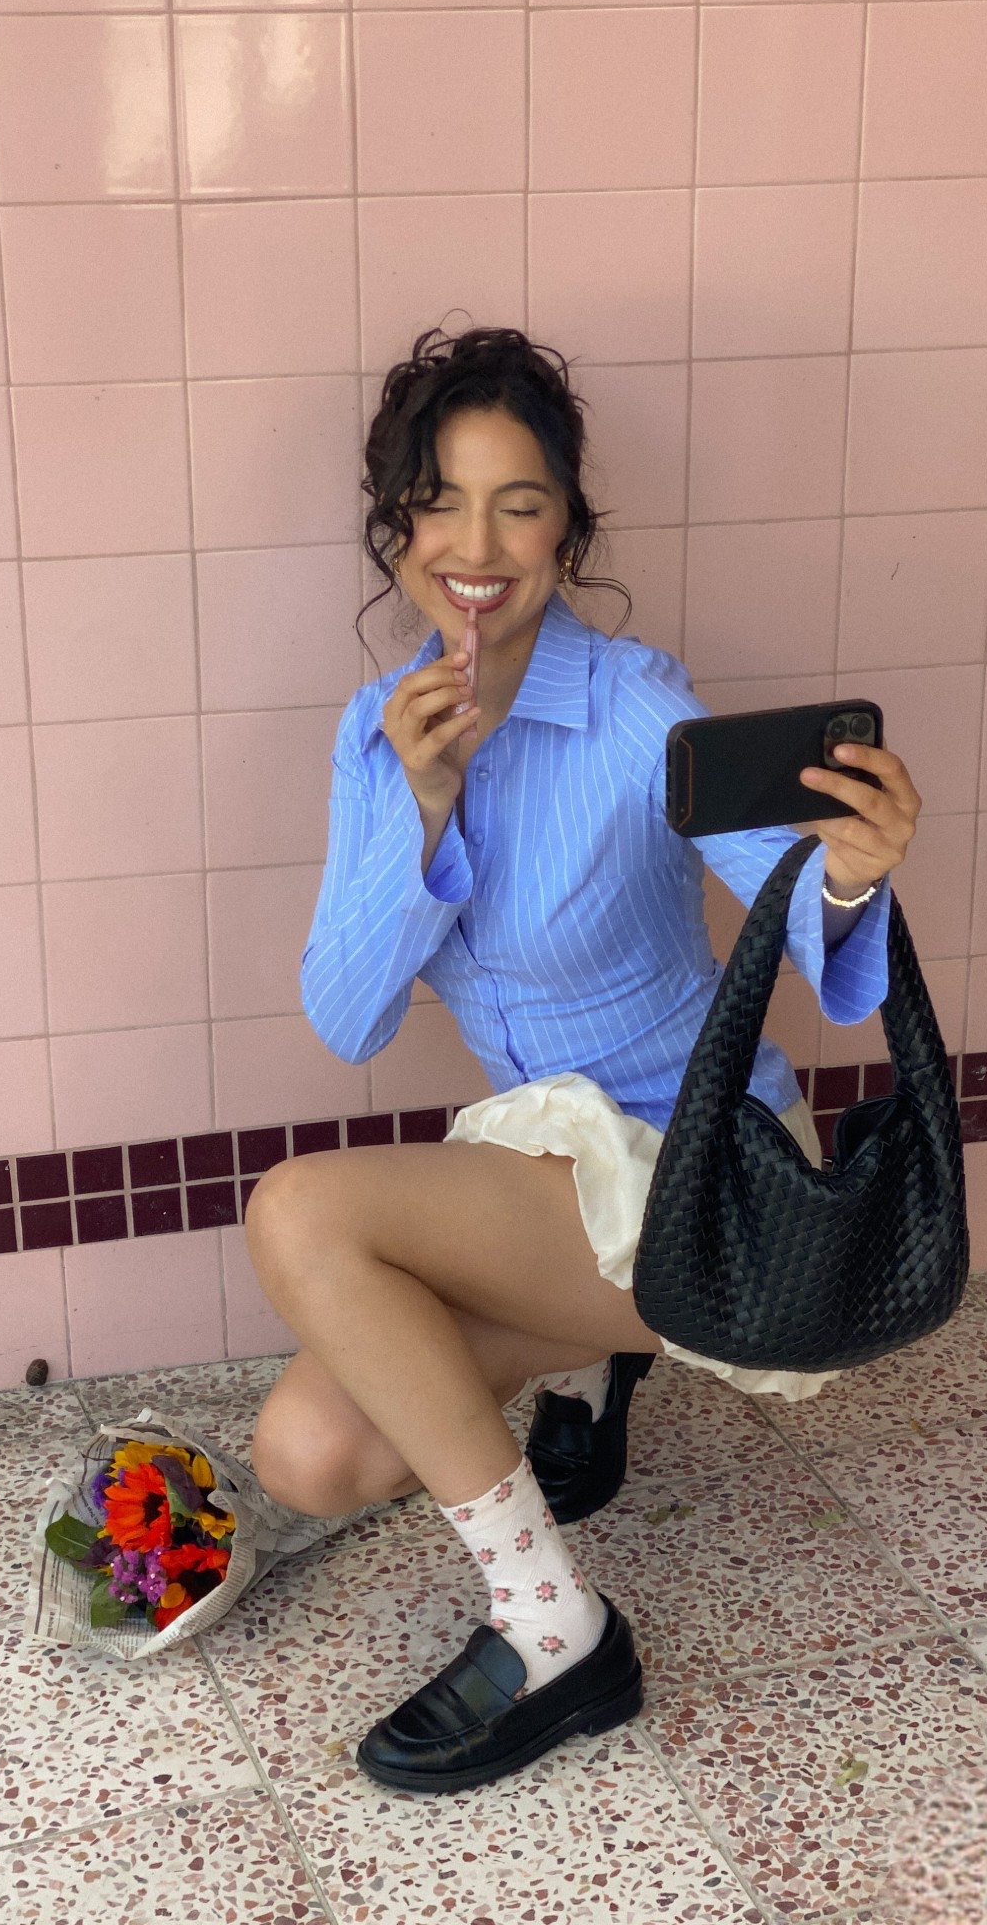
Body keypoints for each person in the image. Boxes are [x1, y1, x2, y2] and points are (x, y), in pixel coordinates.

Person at [244, 326, 922, 1794]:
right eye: (439, 503)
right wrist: (423, 805)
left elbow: (803, 918)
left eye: (520, 503)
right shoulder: (380, 731)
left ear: (568, 527)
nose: (476, 547)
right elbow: (348, 1019)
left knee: (301, 1209)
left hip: (701, 1172)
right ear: (396, 527)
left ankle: (556, 1628)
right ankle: (603, 1358)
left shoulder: (635, 709)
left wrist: (856, 872)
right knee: (309, 1456)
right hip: (539, 1169)